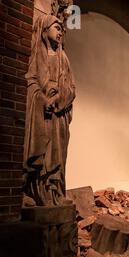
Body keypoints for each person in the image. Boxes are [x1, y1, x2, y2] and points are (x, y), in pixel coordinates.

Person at [23, 13, 76, 206]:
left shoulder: (64, 59)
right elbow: (30, 79)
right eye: (57, 28)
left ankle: (54, 192)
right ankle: (32, 191)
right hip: (40, 112)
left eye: (62, 29)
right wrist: (43, 99)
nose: (61, 32)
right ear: (45, 30)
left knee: (57, 154)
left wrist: (58, 99)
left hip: (58, 114)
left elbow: (71, 87)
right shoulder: (37, 54)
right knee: (39, 150)